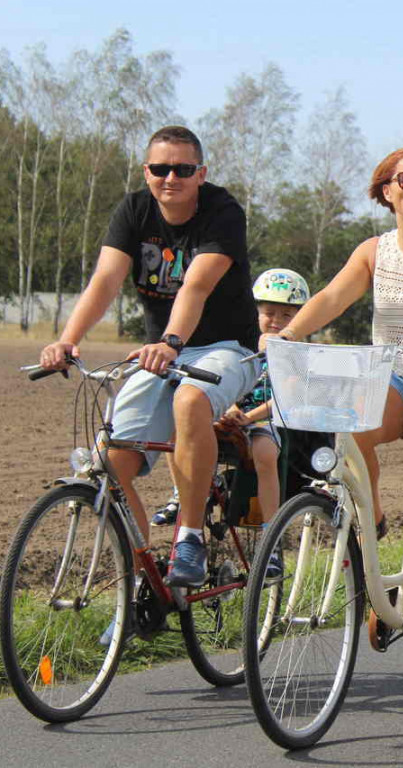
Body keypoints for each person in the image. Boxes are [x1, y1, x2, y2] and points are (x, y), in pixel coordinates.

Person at [262, 142, 403, 690]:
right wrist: (287, 336)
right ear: (386, 189)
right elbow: (332, 297)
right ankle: (375, 516)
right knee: (344, 430)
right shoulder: (373, 251)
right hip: (393, 375)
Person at [39, 125, 259, 593]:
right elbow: (105, 281)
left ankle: (191, 537)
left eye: (182, 169)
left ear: (201, 173)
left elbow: (196, 285)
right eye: (160, 169)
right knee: (107, 468)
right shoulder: (134, 210)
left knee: (190, 402)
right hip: (161, 352)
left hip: (225, 349)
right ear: (147, 171)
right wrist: (66, 340)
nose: (170, 178)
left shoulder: (222, 212)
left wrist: (173, 340)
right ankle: (147, 588)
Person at [154, 268, 311, 533]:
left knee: (265, 452)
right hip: (228, 413)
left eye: (287, 315)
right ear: (255, 313)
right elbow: (224, 381)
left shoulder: (297, 355)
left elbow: (286, 398)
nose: (276, 321)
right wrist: (230, 408)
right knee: (178, 428)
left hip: (265, 420)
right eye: (269, 313)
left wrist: (249, 416)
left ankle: (271, 533)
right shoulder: (240, 346)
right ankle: (181, 495)